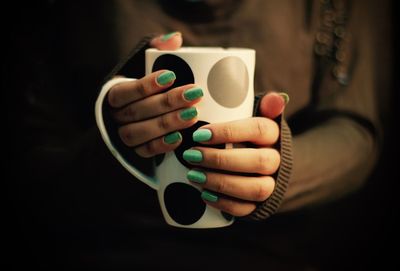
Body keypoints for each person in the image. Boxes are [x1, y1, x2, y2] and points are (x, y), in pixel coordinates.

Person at [7, 0, 394, 270]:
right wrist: (116, 143)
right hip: (109, 247)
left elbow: (357, 128)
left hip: (273, 254)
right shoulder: (64, 12)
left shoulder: (341, 7)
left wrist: (280, 168)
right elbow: (36, 166)